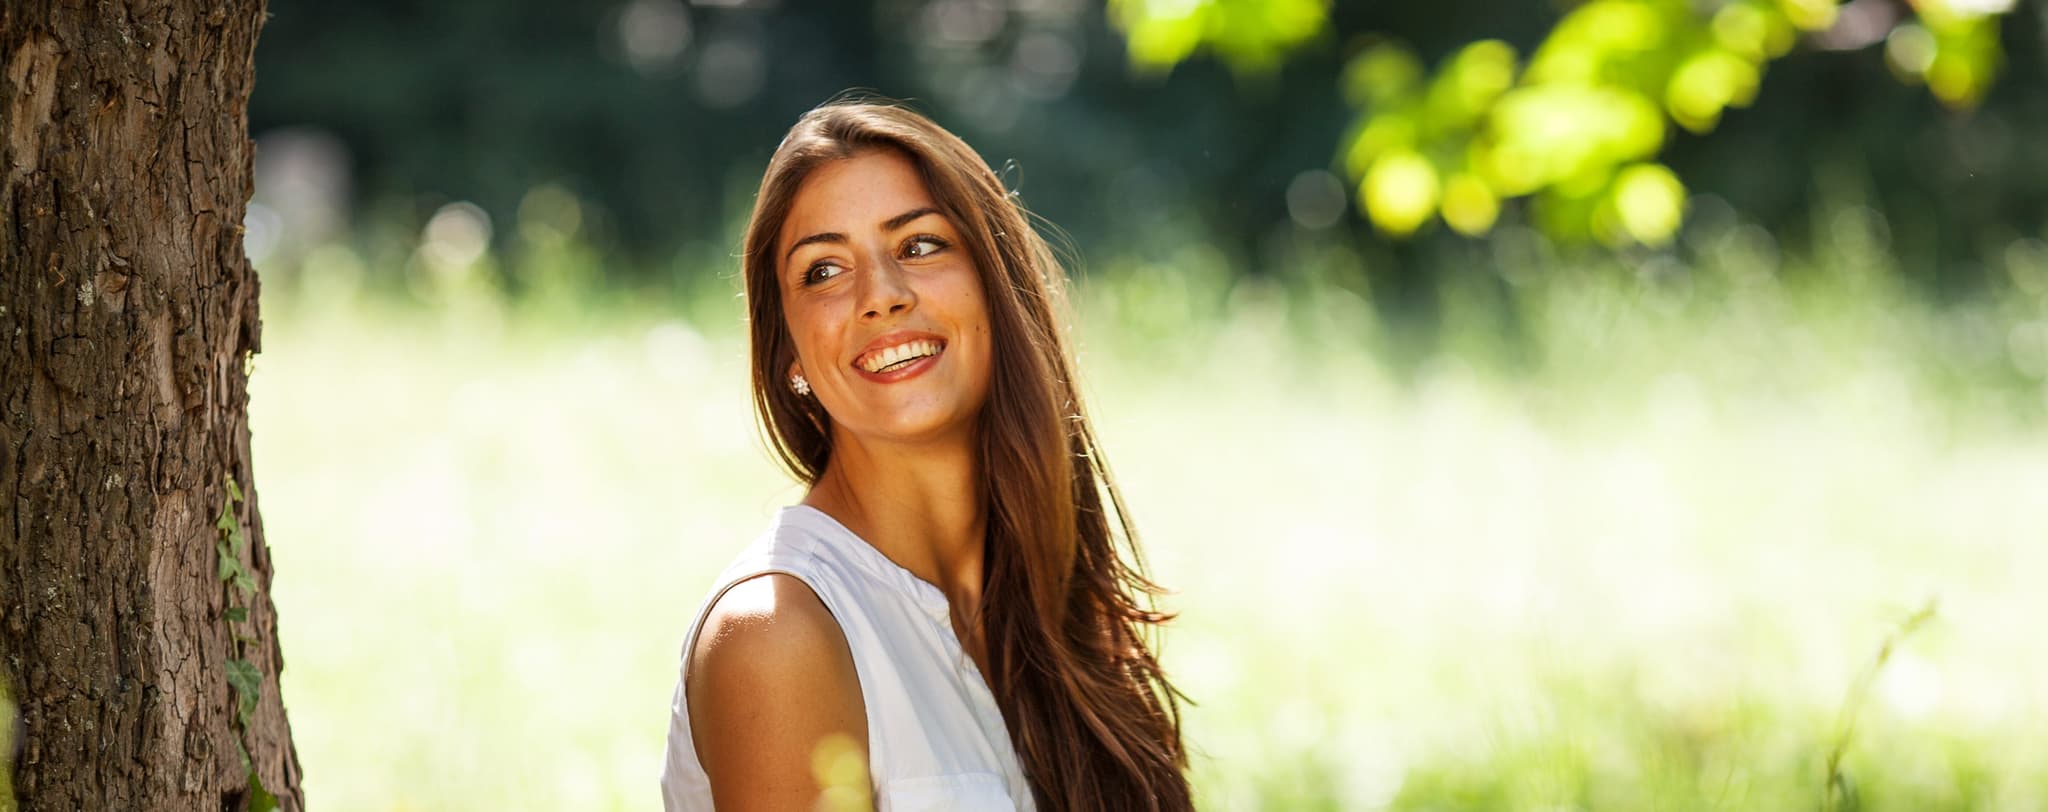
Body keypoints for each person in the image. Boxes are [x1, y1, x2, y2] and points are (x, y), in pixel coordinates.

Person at [660, 99, 1192, 811]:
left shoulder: (1053, 610)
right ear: (789, 349)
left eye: (918, 246)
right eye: (823, 270)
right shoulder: (780, 634)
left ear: (998, 288)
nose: (881, 295)